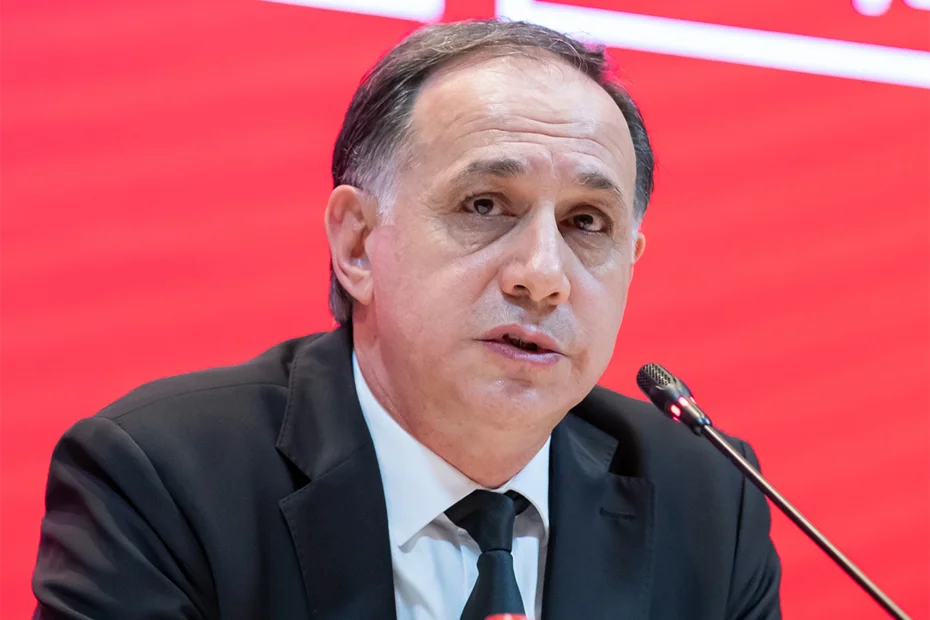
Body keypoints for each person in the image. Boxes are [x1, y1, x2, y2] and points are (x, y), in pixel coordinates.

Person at [32, 19, 781, 620]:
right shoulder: (166, 480)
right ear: (357, 244)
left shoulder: (709, 500)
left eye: (587, 222)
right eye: (485, 205)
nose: (543, 276)